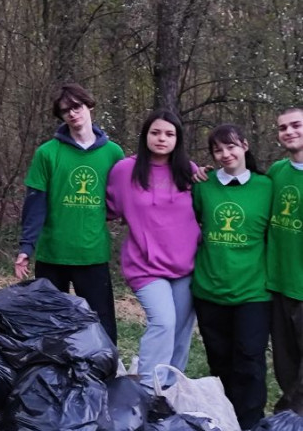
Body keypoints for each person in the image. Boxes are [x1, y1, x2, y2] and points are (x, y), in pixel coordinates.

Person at [14, 83, 124, 344]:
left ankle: (106, 375)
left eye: (77, 107)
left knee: (102, 324)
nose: (72, 114)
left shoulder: (113, 153)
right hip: (54, 254)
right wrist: (26, 246)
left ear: (90, 107)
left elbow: (123, 196)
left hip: (92, 253)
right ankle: (50, 376)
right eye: (66, 111)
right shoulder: (47, 153)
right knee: (49, 324)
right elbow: (36, 202)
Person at [105, 110, 199, 389]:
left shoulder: (189, 171)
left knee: (181, 331)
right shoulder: (125, 170)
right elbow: (105, 210)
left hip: (186, 266)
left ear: (178, 139)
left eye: (169, 134)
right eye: (155, 132)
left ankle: (168, 389)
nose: (162, 138)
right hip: (145, 266)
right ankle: (145, 390)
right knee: (164, 323)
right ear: (145, 135)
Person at [191, 124, 273, 429]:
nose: (225, 154)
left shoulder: (267, 186)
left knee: (250, 362)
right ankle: (223, 419)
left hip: (253, 292)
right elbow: (190, 222)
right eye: (217, 150)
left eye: (231, 147)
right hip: (210, 290)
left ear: (246, 146)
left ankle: (250, 422)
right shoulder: (202, 185)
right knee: (220, 361)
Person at [267, 107, 303, 414]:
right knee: (284, 363)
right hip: (278, 282)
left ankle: (290, 416)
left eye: (296, 125)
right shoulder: (277, 172)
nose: (289, 132)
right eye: (283, 128)